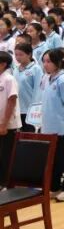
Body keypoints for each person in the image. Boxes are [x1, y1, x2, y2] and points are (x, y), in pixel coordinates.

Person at [39, 49, 64, 201]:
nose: (45, 64)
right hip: (48, 127)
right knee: (52, 160)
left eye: (49, 61)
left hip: (61, 128)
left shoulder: (63, 80)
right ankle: (54, 187)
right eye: (44, 61)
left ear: (58, 63)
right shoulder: (46, 78)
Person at [0, 51, 19, 186]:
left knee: (6, 155)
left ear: (3, 64)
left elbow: (12, 101)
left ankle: (7, 183)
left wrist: (4, 124)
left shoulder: (9, 79)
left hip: (8, 125)